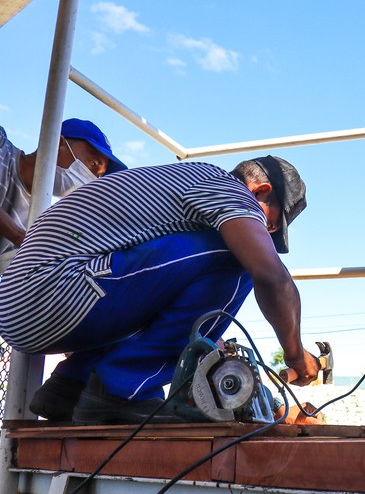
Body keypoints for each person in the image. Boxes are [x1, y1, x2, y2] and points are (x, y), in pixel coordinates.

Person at [0, 155, 322, 424]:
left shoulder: (185, 182)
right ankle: (121, 391)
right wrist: (297, 356)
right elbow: (273, 277)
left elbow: (177, 311)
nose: (263, 231)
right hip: (54, 289)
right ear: (261, 190)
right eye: (270, 225)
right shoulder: (232, 191)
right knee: (239, 259)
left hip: (24, 304)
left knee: (219, 261)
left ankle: (72, 383)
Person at [0, 118, 126, 272]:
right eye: (92, 164)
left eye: (98, 177)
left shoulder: (37, 221)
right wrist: (19, 236)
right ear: (57, 143)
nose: (93, 180)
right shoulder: (2, 147)